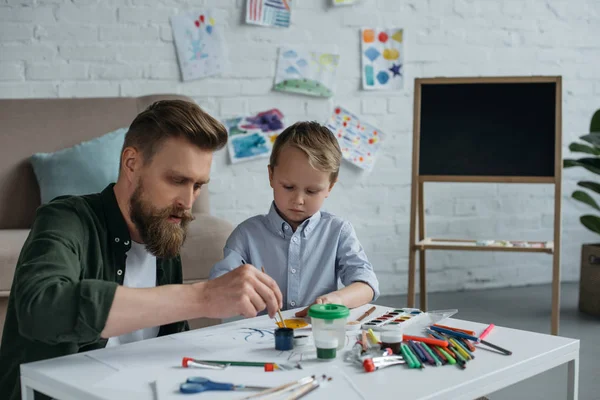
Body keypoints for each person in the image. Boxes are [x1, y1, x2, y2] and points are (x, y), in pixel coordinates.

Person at [0, 100, 283, 400]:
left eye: (198, 185)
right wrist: (203, 296)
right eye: (177, 180)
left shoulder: (162, 234)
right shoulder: (67, 219)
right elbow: (41, 307)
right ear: (131, 163)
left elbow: (171, 353)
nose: (188, 203)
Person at [209, 121, 379, 318]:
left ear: (330, 187)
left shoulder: (338, 231)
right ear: (271, 175)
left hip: (316, 335)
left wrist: (338, 299)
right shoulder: (246, 235)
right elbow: (217, 288)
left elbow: (367, 284)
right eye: (288, 187)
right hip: (260, 339)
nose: (298, 200)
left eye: (312, 191)